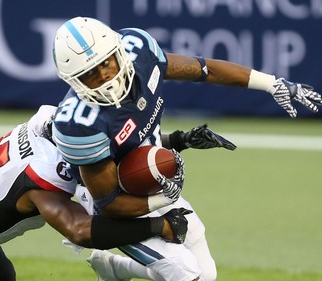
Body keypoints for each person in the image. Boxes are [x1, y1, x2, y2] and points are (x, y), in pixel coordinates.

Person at [51, 17, 322, 281]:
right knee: (185, 272)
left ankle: (114, 269)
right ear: (73, 80)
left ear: (118, 50)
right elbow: (108, 203)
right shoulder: (81, 124)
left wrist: (271, 84)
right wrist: (162, 201)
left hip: (146, 181)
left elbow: (205, 70)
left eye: (105, 63)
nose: (104, 77)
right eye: (89, 74)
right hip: (108, 200)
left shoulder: (142, 54)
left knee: (206, 274)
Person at [0, 105, 192, 281]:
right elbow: (81, 231)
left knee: (0, 276)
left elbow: (105, 147)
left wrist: (177, 140)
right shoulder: (42, 179)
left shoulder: (48, 124)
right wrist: (159, 226)